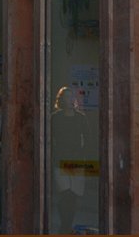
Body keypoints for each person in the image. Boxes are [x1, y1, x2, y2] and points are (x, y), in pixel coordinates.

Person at [51, 86, 90, 234]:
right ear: (61, 99)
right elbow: (49, 138)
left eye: (71, 96)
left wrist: (85, 156)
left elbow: (88, 138)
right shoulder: (55, 118)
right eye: (67, 97)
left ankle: (66, 226)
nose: (70, 99)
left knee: (73, 196)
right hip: (60, 160)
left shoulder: (81, 118)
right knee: (65, 193)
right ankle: (65, 226)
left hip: (76, 160)